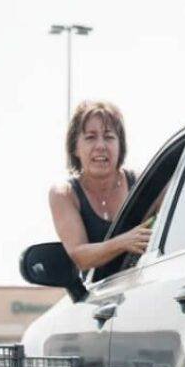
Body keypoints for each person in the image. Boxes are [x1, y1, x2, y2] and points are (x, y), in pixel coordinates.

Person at [48, 101, 151, 273]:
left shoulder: (143, 182)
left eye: (109, 137)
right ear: (75, 147)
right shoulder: (64, 194)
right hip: (99, 296)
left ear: (120, 146)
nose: (101, 146)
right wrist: (124, 242)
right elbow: (79, 256)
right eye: (90, 137)